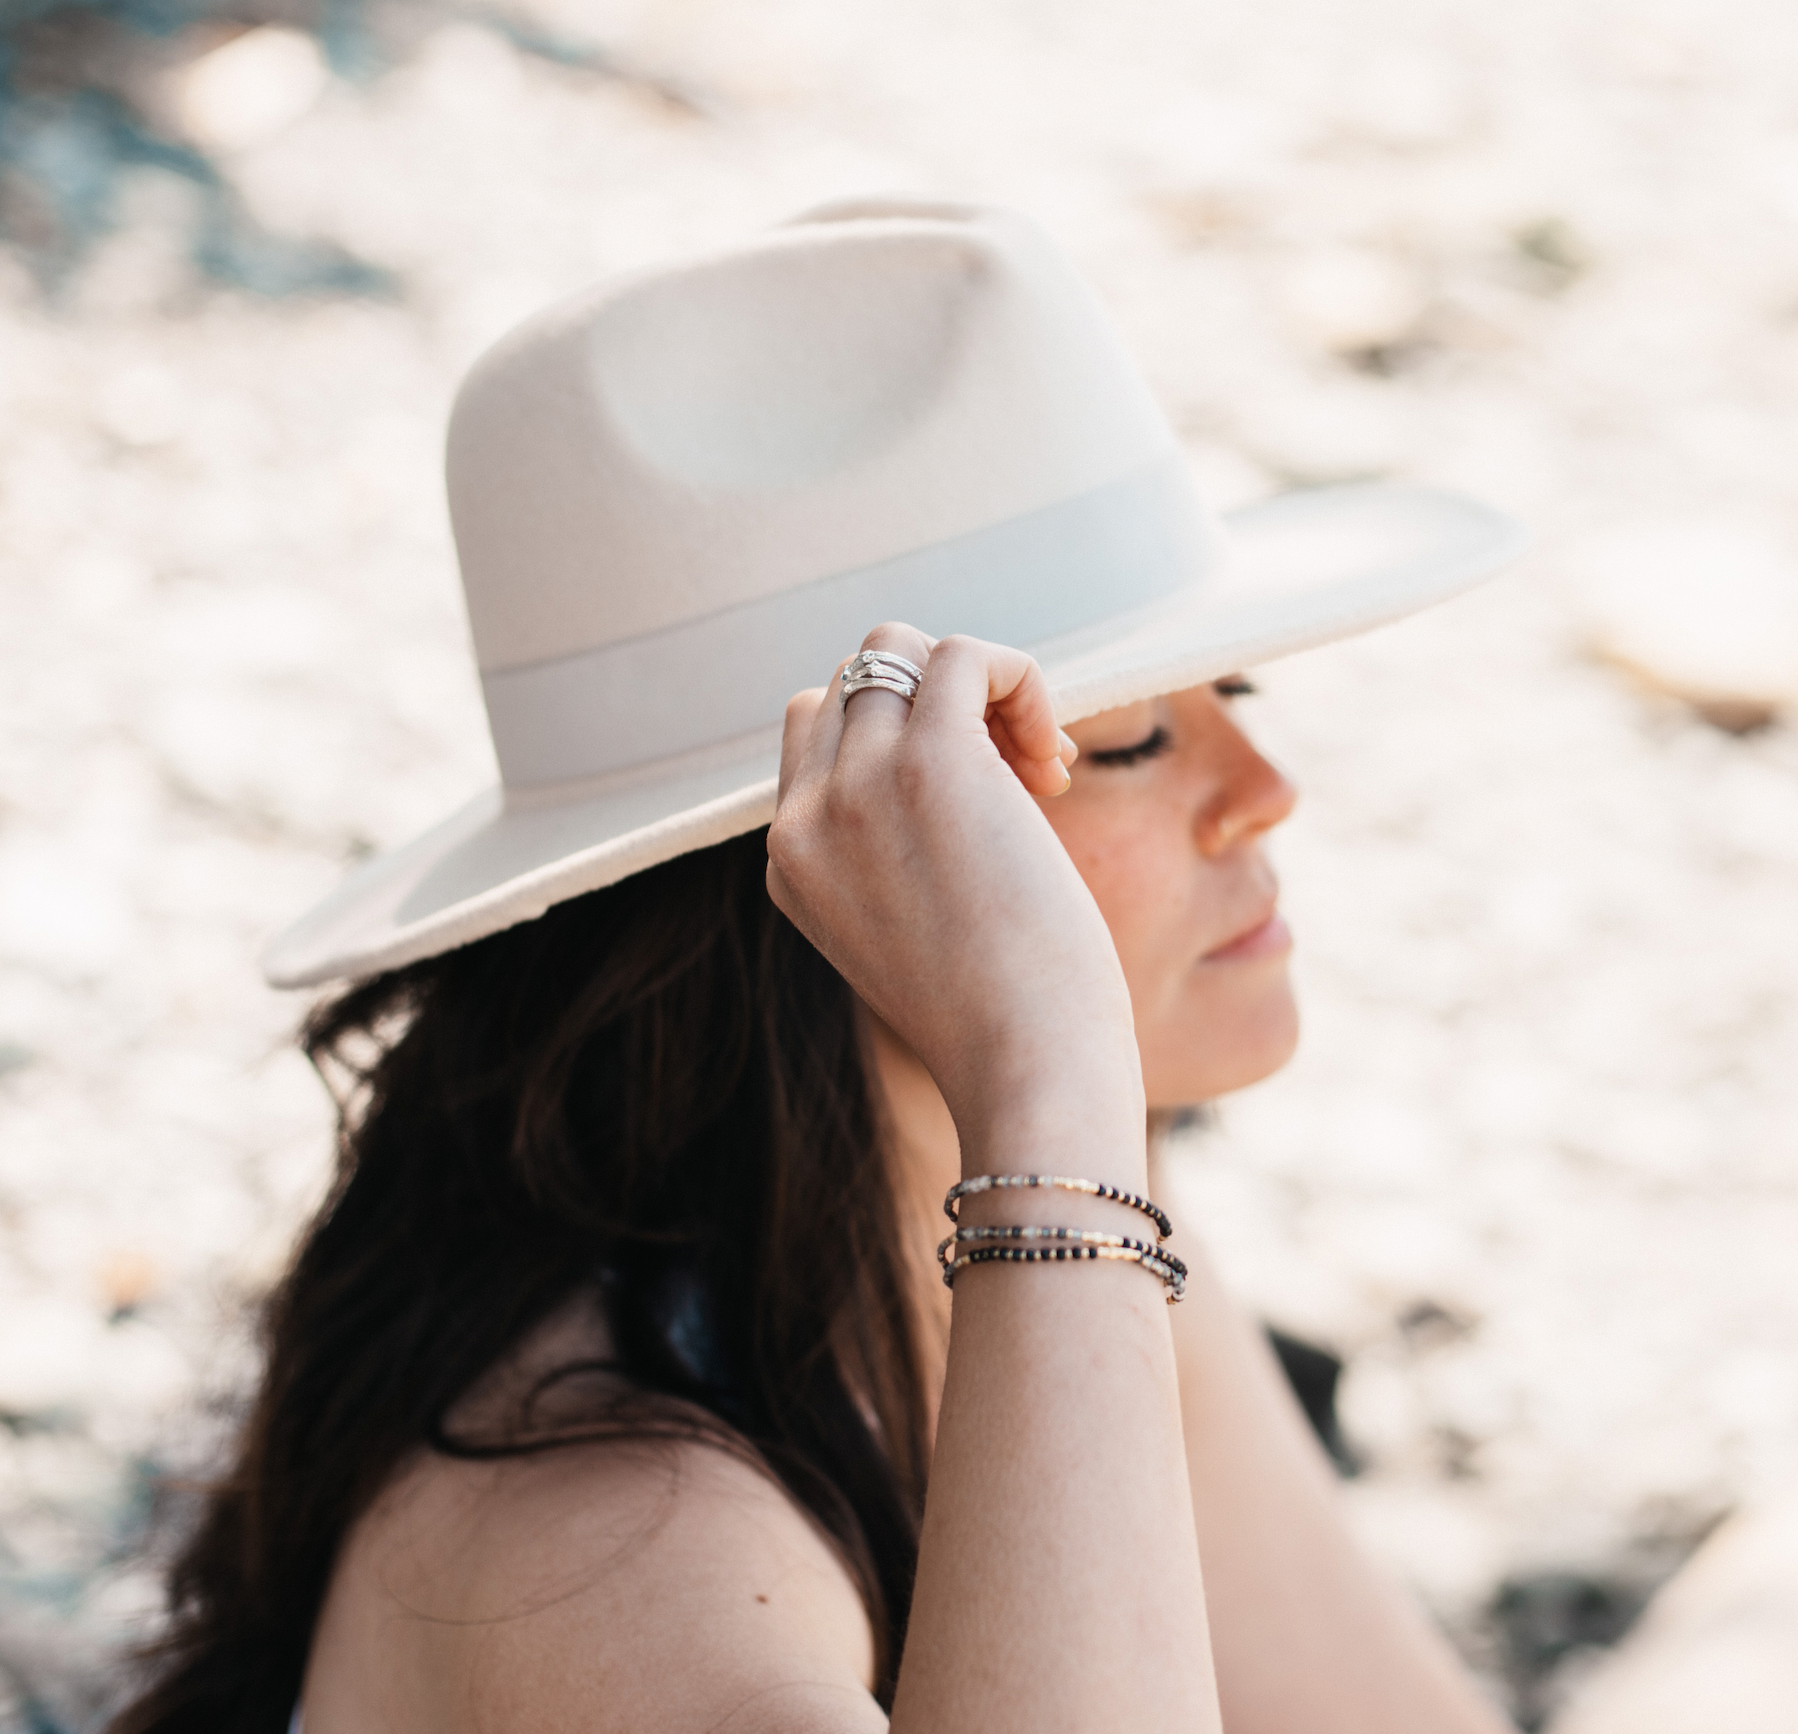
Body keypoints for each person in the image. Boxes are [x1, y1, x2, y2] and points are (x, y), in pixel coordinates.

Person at [112, 200, 1525, 1734]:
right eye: (1125, 737)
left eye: (1232, 687)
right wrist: (1046, 1077)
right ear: (819, 868)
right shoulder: (615, 1538)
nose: (1265, 786)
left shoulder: (1033, 1229)